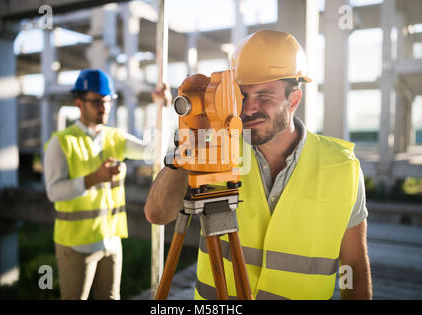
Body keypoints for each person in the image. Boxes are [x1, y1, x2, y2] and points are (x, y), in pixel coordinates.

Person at [144, 30, 373, 300]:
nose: (249, 108)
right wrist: (189, 146)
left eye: (264, 96)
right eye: (242, 95)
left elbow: (353, 265)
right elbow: (157, 214)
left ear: (294, 100)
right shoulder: (215, 148)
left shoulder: (341, 167)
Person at [43, 69, 147, 300]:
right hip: (76, 246)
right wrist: (93, 178)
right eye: (97, 102)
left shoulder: (115, 137)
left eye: (108, 101)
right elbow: (54, 192)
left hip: (111, 242)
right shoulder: (61, 143)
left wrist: (161, 106)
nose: (104, 107)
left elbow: (150, 151)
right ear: (79, 103)